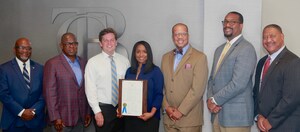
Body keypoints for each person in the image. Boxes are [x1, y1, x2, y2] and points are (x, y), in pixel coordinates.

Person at [207, 11, 257, 132]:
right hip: (217, 115)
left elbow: (238, 84)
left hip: (236, 117)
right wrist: (209, 100)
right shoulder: (219, 50)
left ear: (241, 26)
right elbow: (212, 80)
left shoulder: (246, 48)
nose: (227, 25)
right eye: (225, 22)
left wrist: (214, 100)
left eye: (232, 22)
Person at [161, 23, 208, 132]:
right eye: (177, 34)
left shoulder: (199, 57)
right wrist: (166, 107)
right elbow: (161, 87)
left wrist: (180, 111)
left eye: (183, 34)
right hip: (169, 119)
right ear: (173, 37)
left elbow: (197, 90)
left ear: (188, 36)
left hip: (189, 120)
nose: (180, 37)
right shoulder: (165, 57)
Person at [253, 24, 300, 132]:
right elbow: (257, 93)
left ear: (282, 37)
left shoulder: (293, 61)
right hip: (264, 125)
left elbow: (291, 98)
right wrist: (258, 116)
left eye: (272, 36)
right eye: (264, 37)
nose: (268, 40)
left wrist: (270, 121)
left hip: (285, 126)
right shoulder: (262, 62)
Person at [43, 33, 91, 132]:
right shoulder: (52, 64)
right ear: (61, 45)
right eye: (68, 43)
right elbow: (49, 93)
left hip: (80, 118)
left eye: (74, 43)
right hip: (62, 119)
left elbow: (87, 89)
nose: (72, 46)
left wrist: (87, 112)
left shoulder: (84, 63)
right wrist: (55, 117)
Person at [85, 28, 130, 132]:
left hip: (121, 109)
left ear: (116, 42)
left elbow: (128, 87)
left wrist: (124, 107)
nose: (109, 43)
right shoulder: (93, 63)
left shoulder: (125, 61)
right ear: (100, 43)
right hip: (103, 110)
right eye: (106, 40)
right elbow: (90, 89)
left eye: (112, 40)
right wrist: (97, 112)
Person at [0, 38, 45, 131]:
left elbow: (44, 93)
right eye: (21, 48)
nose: (25, 51)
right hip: (13, 121)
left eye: (28, 48)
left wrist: (33, 111)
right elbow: (3, 94)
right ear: (14, 49)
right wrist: (21, 111)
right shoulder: (4, 69)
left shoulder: (40, 68)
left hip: (35, 121)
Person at [123, 41, 164, 132]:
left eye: (144, 51)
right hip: (130, 117)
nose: (141, 54)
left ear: (148, 53)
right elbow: (125, 93)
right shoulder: (129, 71)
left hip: (149, 117)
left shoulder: (156, 71)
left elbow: (159, 94)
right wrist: (121, 109)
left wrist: (152, 113)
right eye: (138, 51)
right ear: (134, 54)